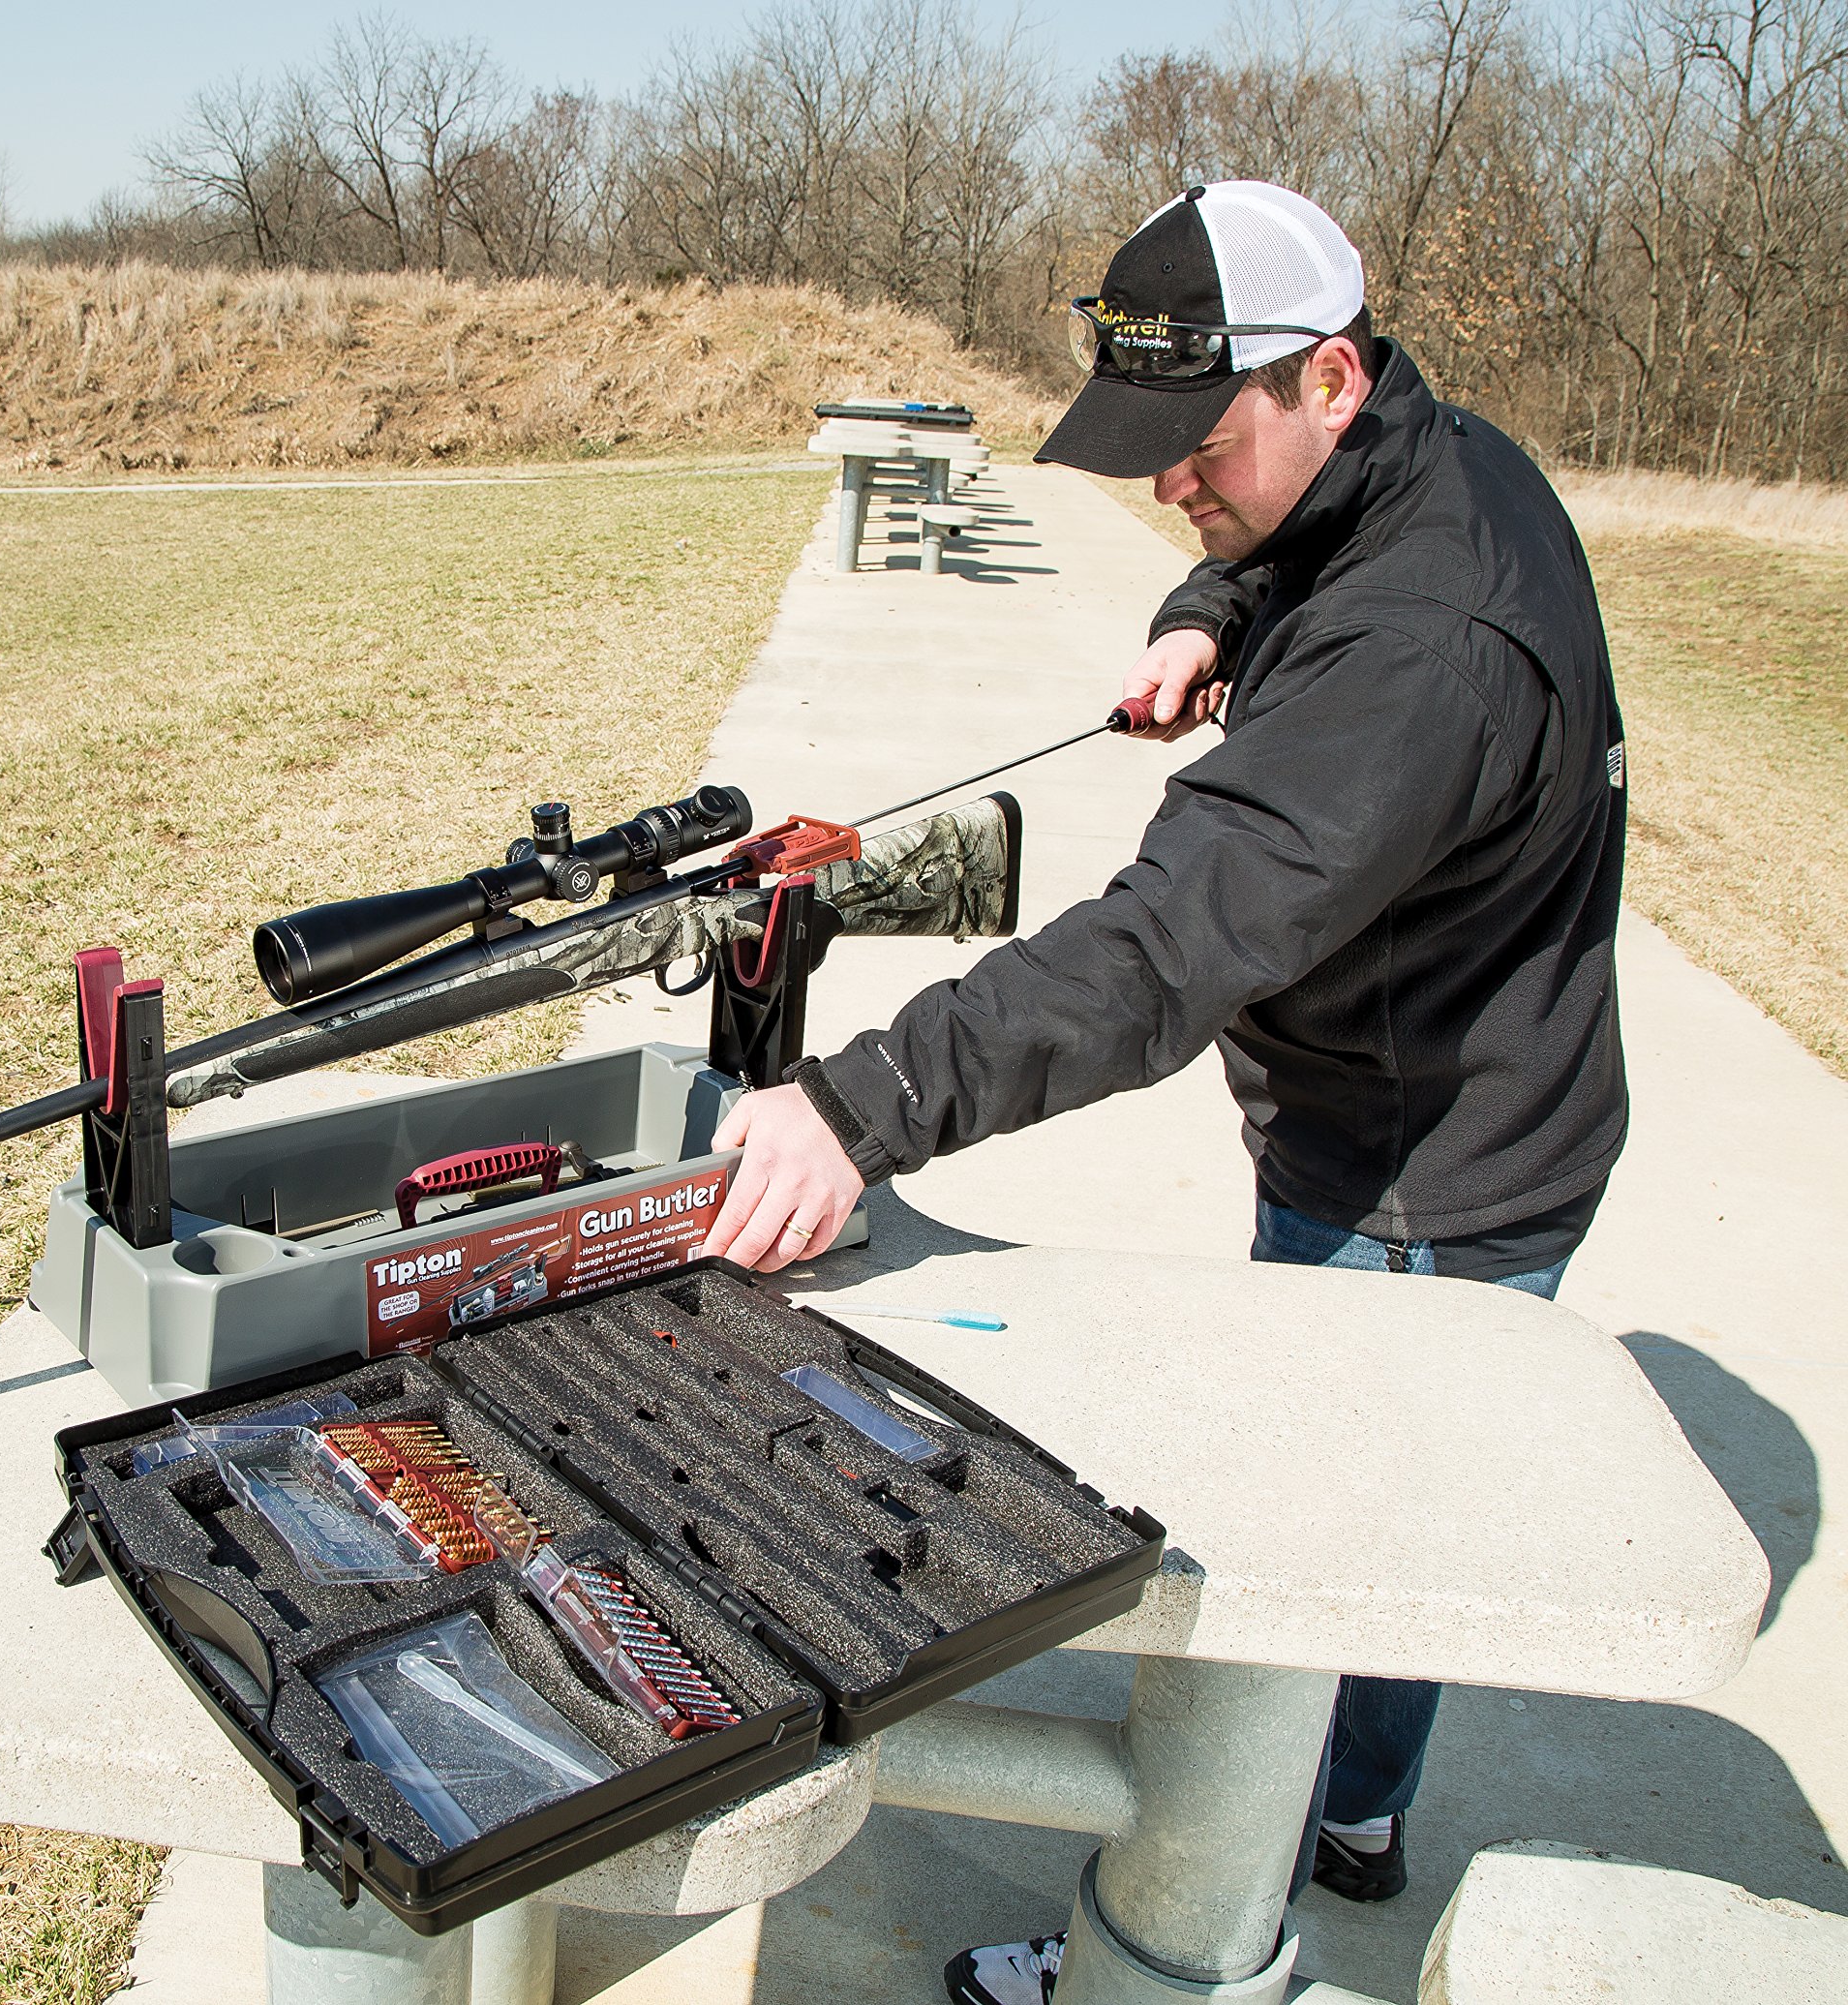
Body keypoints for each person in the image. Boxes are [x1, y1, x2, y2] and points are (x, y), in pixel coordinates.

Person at [695, 180, 1629, 2005]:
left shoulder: (1423, 649)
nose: (1163, 486)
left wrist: (860, 1104)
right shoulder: (1411, 458)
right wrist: (1213, 608)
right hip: (1439, 1095)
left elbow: (1168, 950)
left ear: (1329, 378)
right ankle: (1352, 1819)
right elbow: (1305, 538)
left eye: (1194, 449)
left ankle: (1196, 1940)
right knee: (1395, 1530)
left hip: (1425, 1173)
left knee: (1311, 1558)